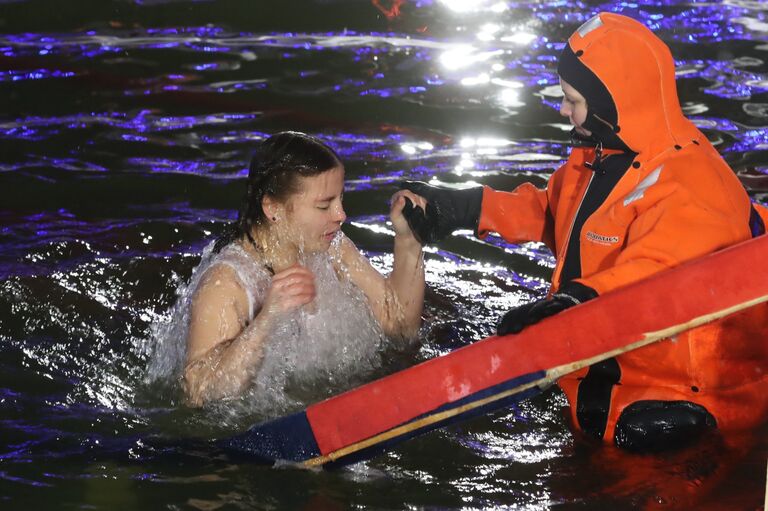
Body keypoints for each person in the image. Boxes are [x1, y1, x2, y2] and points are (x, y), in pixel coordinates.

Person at [402, 12, 768, 452]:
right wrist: (461, 208)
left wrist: (572, 303)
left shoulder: (693, 184)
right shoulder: (600, 157)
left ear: (614, 103)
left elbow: (661, 277)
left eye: (572, 99)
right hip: (596, 368)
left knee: (643, 451)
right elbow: (554, 212)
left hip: (680, 393)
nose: (561, 109)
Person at [183, 131, 426, 407]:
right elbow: (198, 393)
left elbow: (400, 327)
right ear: (273, 208)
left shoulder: (333, 248)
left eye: (340, 199)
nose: (341, 215)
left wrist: (409, 241)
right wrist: (267, 318)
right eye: (324, 205)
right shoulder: (227, 284)